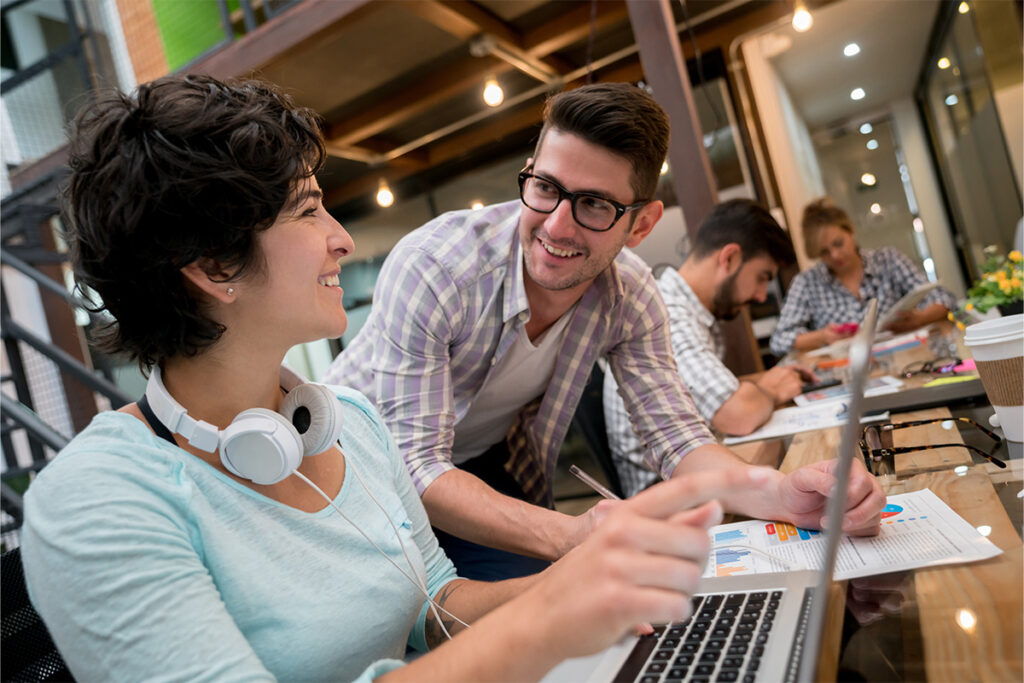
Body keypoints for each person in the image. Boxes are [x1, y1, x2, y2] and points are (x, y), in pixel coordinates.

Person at [20, 74, 769, 682]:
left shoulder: (351, 420)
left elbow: (434, 606)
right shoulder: (96, 499)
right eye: (310, 210)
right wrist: (546, 619)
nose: (342, 239)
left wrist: (591, 580)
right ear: (217, 265)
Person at [324, 83, 886, 581]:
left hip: (477, 461)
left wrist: (781, 494)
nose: (556, 226)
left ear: (641, 224)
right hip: (358, 468)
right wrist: (570, 535)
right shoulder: (437, 267)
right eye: (546, 187)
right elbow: (417, 463)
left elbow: (679, 440)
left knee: (577, 602)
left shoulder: (630, 296)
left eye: (593, 204)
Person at [604, 199, 816, 496]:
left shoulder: (695, 313)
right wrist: (772, 389)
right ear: (729, 258)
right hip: (663, 501)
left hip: (690, 481)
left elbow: (703, 394)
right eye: (762, 278)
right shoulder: (668, 314)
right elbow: (736, 414)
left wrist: (760, 383)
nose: (759, 296)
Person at [770, 198, 955, 355]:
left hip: (906, 358)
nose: (834, 255)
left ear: (850, 232)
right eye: (824, 252)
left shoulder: (888, 260)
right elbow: (779, 341)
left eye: (838, 243)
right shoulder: (807, 283)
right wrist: (822, 337)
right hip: (848, 371)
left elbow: (944, 299)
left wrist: (921, 317)